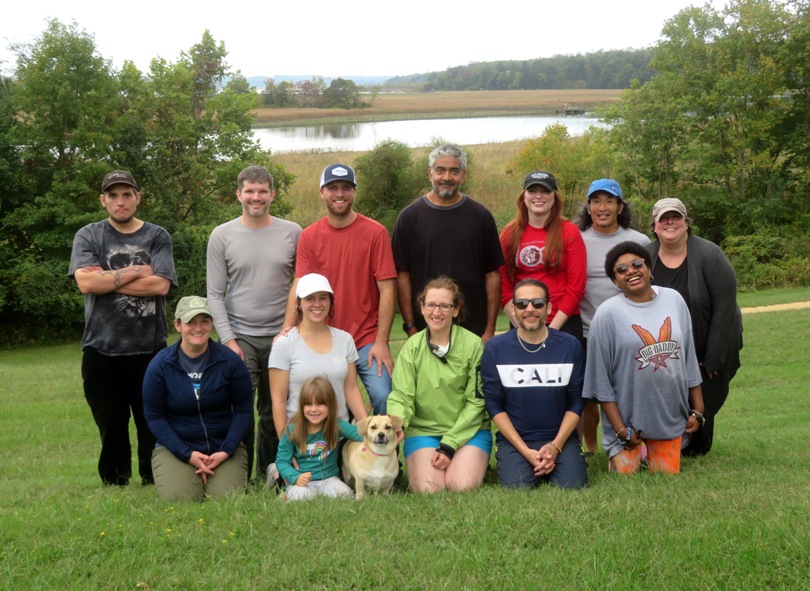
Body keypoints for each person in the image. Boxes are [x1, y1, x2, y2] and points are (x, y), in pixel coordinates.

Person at [69, 170, 177, 486]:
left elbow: (160, 286)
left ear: (137, 198)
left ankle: (153, 477)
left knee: (151, 422)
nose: (120, 202)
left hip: (149, 349)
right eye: (113, 195)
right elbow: (85, 282)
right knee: (111, 423)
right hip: (101, 348)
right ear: (103, 200)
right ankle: (114, 481)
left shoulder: (157, 236)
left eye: (126, 194)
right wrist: (135, 271)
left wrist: (107, 281)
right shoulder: (88, 236)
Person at [206, 165, 302, 481]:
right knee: (241, 410)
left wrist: (290, 329)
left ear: (272, 194)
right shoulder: (222, 235)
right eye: (250, 191)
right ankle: (239, 474)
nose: (256, 197)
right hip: (240, 336)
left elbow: (300, 285)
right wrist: (229, 340)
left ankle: (272, 472)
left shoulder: (293, 232)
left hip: (281, 335)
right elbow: (215, 294)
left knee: (274, 409)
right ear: (239, 194)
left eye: (262, 191)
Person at [583, 241, 705, 474]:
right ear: (614, 281)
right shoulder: (607, 313)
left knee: (665, 474)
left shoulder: (674, 300)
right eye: (621, 269)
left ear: (649, 268)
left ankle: (654, 449)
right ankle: (627, 452)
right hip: (626, 419)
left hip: (667, 416)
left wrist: (698, 407)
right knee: (626, 474)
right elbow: (600, 380)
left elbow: (688, 355)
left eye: (637, 264)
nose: (631, 271)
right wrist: (620, 429)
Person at [292, 163, 397, 415]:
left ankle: (385, 454)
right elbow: (299, 286)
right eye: (333, 188)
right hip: (325, 337)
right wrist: (288, 326)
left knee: (384, 397)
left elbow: (388, 290)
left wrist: (381, 342)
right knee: (331, 407)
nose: (340, 193)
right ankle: (336, 455)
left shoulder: (375, 232)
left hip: (367, 339)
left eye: (346, 188)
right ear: (322, 192)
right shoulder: (309, 236)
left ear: (354, 192)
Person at [646, 198, 743, 456]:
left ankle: (698, 441)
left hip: (710, 338)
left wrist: (714, 356)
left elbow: (725, 309)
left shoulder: (710, 255)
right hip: (667, 343)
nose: (670, 222)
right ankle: (670, 440)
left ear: (686, 223)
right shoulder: (646, 255)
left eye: (675, 217)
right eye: (663, 218)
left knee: (705, 397)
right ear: (654, 226)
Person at [387, 276, 492, 493]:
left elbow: (477, 402)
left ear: (455, 310)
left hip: (468, 431)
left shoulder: (474, 345)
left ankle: (471, 462)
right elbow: (401, 396)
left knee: (461, 486)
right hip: (424, 431)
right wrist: (398, 424)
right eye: (431, 305)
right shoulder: (411, 347)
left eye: (445, 305)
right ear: (422, 308)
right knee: (430, 489)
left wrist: (450, 444)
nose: (437, 312)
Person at [142, 296, 253, 501]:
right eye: (191, 321)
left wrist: (227, 450)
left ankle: (221, 472)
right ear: (177, 325)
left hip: (223, 446)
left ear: (211, 323)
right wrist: (187, 454)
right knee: (180, 498)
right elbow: (154, 417)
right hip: (177, 447)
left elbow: (244, 409)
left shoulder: (230, 361)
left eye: (204, 320)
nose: (198, 328)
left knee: (227, 498)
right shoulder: (160, 365)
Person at [482, 279, 587, 489]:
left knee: (572, 485)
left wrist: (556, 447)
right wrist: (524, 451)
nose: (530, 309)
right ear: (513, 309)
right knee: (519, 486)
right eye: (522, 304)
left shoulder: (570, 346)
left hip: (560, 438)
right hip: (516, 440)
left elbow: (576, 402)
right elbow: (494, 405)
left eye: (538, 303)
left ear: (548, 307)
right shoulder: (496, 348)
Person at [392, 144, 503, 344]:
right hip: (424, 330)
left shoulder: (481, 217)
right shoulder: (409, 217)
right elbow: (402, 277)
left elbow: (493, 275)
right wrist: (410, 327)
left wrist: (489, 330)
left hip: (473, 331)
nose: (446, 177)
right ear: (430, 173)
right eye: (440, 170)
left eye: (454, 171)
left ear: (463, 175)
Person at [574, 178, 651, 455]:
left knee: (628, 390)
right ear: (589, 206)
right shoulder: (577, 239)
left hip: (630, 332)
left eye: (609, 201)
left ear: (620, 207)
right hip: (585, 330)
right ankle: (591, 447)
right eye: (596, 201)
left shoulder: (639, 241)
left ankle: (639, 440)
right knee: (588, 396)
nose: (602, 207)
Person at [268, 273, 368, 442]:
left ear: (330, 302)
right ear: (298, 304)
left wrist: (367, 429)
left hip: (339, 435)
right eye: (310, 298)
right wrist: (286, 449)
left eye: (323, 298)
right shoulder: (284, 345)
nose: (317, 304)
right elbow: (278, 402)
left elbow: (351, 389)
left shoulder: (345, 340)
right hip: (301, 438)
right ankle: (275, 468)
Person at [499, 171, 586, 343]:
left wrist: (551, 330)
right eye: (532, 191)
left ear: (554, 196)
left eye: (545, 191)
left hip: (563, 323)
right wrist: (520, 326)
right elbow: (502, 283)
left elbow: (576, 286)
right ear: (524, 196)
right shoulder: (509, 233)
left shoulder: (569, 231)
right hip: (522, 322)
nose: (538, 196)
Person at [276, 376, 364, 501]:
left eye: (320, 404)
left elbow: (360, 435)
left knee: (345, 495)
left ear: (331, 405)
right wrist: (295, 478)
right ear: (301, 406)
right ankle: (278, 480)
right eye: (308, 404)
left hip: (329, 480)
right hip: (302, 481)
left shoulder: (337, 425)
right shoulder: (291, 430)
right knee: (300, 497)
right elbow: (282, 461)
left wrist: (379, 430)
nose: (313, 409)